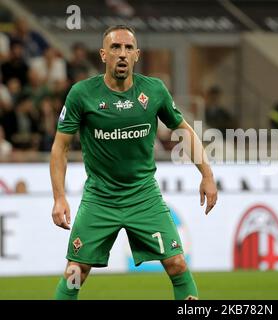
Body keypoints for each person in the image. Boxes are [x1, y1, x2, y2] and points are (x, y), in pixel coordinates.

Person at [50, 25, 218, 300]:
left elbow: (184, 130)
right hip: (100, 198)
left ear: (137, 55)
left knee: (177, 264)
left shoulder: (154, 91)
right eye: (115, 47)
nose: (122, 54)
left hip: (143, 196)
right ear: (103, 54)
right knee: (75, 272)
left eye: (128, 48)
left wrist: (207, 175)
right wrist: (59, 197)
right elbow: (60, 147)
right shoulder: (82, 94)